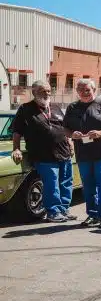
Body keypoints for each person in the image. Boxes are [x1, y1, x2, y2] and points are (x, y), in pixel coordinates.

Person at [11, 80, 76, 222]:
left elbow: (65, 128)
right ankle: (53, 212)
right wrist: (16, 148)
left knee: (66, 182)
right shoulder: (25, 109)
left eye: (48, 90)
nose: (46, 93)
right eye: (42, 91)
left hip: (64, 152)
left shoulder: (56, 107)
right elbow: (17, 131)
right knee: (51, 184)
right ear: (34, 92)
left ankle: (64, 210)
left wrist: (70, 142)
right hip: (44, 155)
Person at [63, 78, 101, 228]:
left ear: (94, 90)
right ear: (77, 92)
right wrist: (72, 134)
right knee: (88, 186)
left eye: (87, 90)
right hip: (83, 154)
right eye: (81, 90)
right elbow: (65, 129)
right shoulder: (72, 108)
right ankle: (92, 214)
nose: (84, 93)